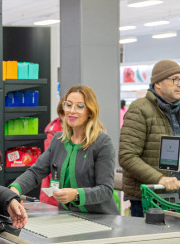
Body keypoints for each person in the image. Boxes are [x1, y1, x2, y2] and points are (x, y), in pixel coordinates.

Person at [9, 85, 117, 214]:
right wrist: (14, 190)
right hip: (69, 216)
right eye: (68, 105)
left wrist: (76, 194)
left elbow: (106, 190)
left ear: (90, 111)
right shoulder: (58, 140)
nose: (72, 110)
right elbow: (35, 172)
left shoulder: (102, 143)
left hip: (101, 219)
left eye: (80, 106)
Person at [119, 59, 180, 217]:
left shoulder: (178, 109)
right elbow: (126, 156)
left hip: (176, 196)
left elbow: (168, 150)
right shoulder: (140, 109)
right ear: (158, 83)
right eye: (174, 79)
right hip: (149, 199)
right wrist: (160, 179)